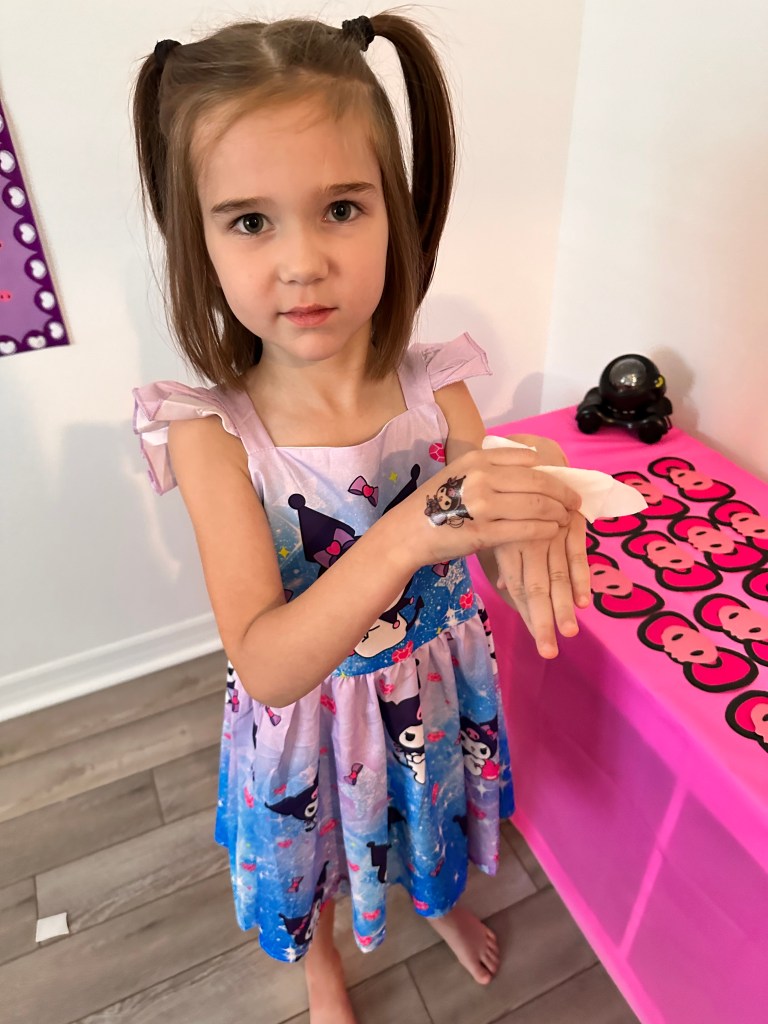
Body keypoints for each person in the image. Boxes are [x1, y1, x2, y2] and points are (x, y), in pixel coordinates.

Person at [131, 13, 588, 1023]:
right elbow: (269, 663)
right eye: (249, 221)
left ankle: (434, 901)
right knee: (321, 849)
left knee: (420, 820)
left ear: (398, 214)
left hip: (433, 688)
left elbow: (487, 554)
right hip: (311, 723)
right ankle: (323, 960)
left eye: (341, 207)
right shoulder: (214, 433)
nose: (302, 262)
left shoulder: (438, 386)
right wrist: (414, 527)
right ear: (198, 238)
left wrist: (539, 497)